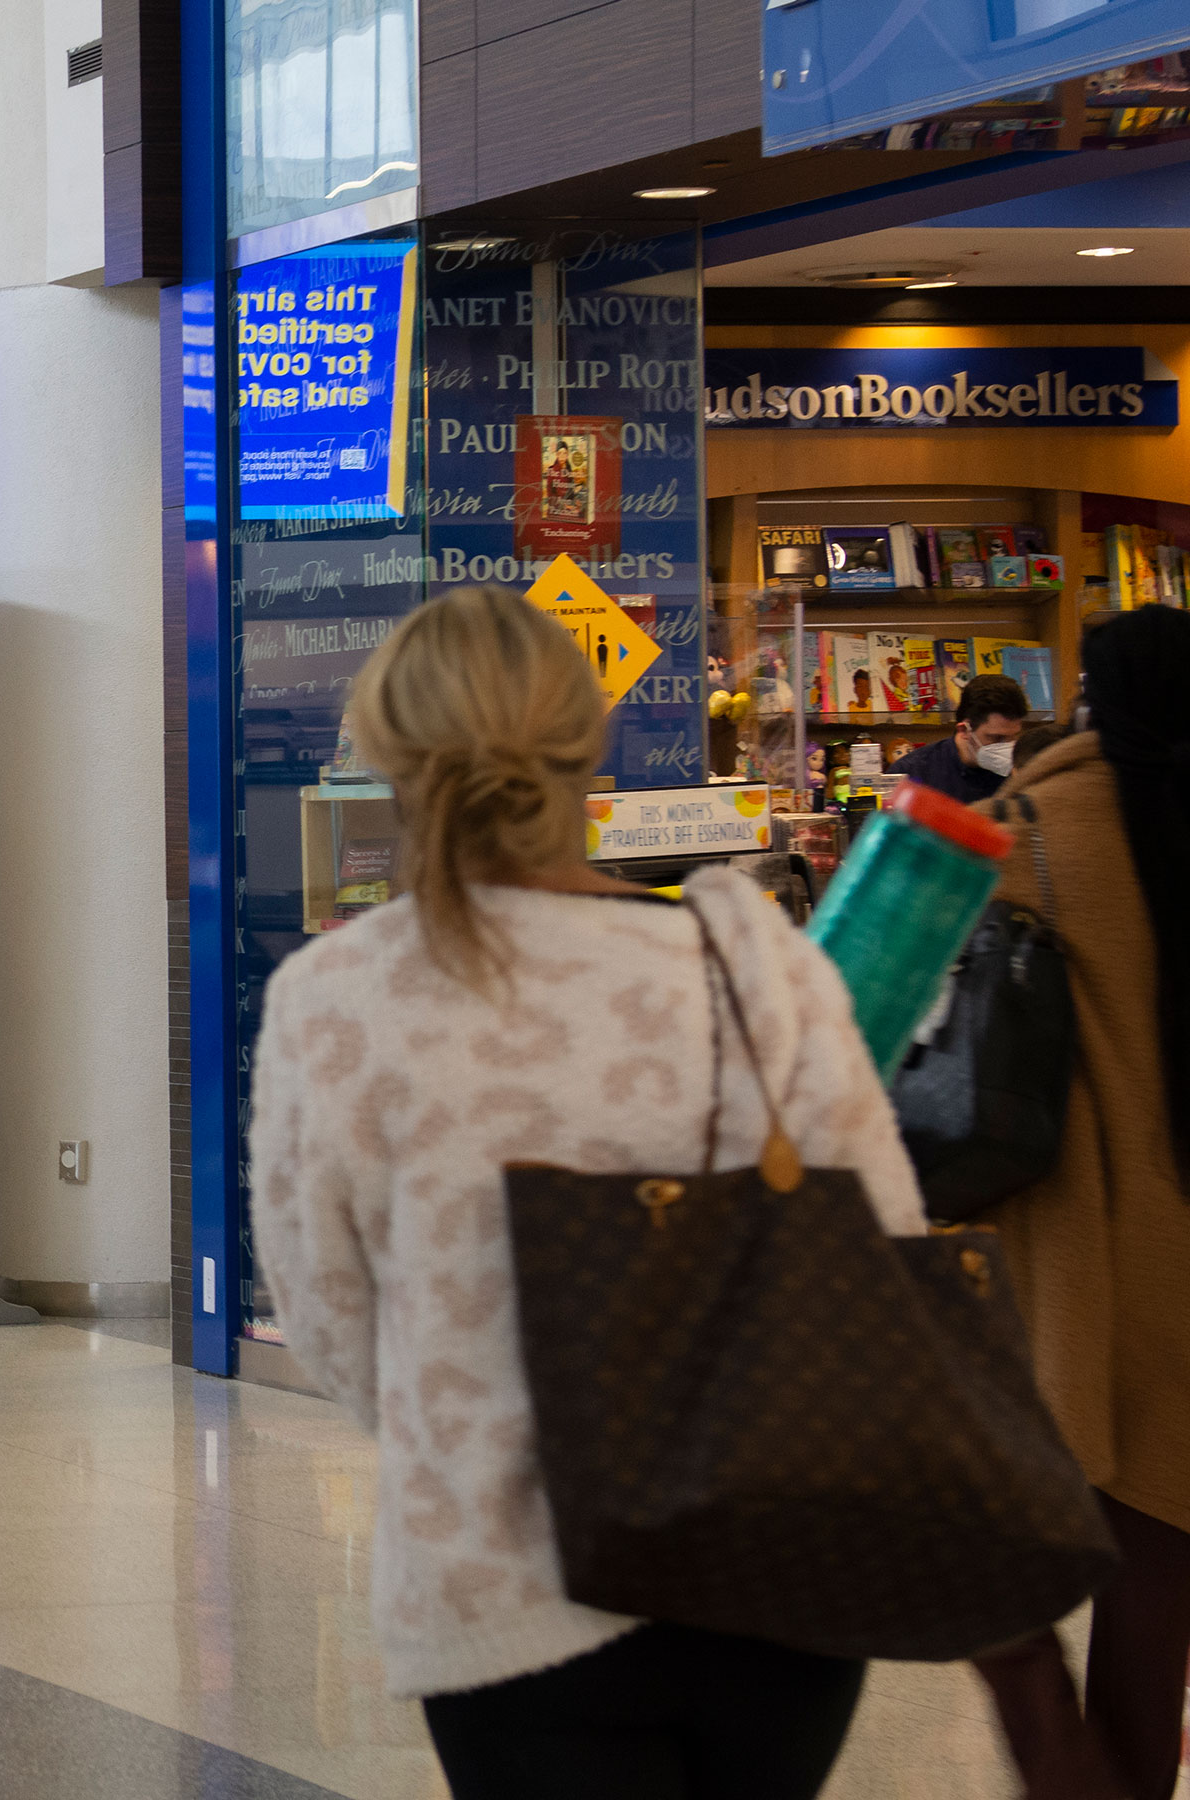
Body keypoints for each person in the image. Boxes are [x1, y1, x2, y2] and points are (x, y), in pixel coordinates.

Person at [246, 587, 923, 1800]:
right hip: (779, 1577)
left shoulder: (338, 998)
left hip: (510, 1588)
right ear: (589, 744)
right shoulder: (752, 960)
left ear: (388, 757)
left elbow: (333, 1320)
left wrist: (469, 1418)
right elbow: (886, 1246)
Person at [964, 606, 1190, 1800]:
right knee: (1156, 1593)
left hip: (1045, 1262)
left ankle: (1060, 1757)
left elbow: (872, 1011)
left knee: (967, 1519)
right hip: (1179, 1270)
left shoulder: (1022, 832)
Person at [892, 671, 1030, 806]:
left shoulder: (1023, 773)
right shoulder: (912, 773)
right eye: (997, 738)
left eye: (1014, 737)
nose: (1008, 747)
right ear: (964, 730)